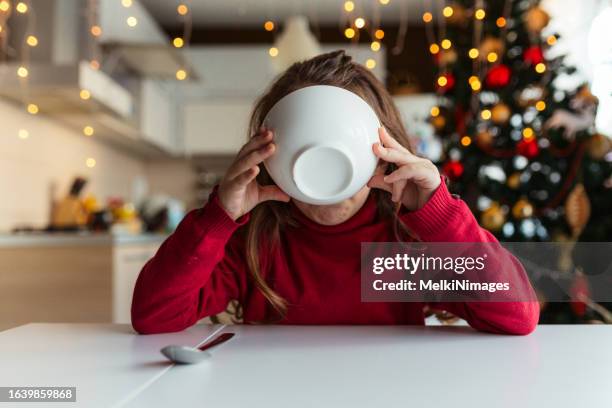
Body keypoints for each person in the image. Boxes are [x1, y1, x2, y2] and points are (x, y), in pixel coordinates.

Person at [131, 51, 539, 335]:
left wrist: (440, 214)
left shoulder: (408, 238)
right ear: (266, 149)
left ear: (385, 146)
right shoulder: (252, 238)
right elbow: (154, 316)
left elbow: (518, 316)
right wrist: (218, 216)